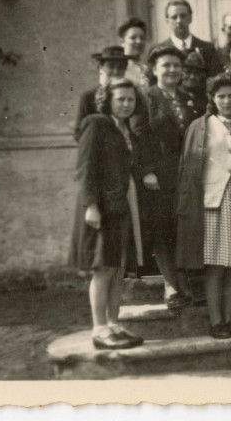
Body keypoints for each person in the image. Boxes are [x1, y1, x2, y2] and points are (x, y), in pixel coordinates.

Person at [68, 78, 153, 349]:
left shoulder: (123, 129)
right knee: (103, 269)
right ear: (108, 101)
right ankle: (99, 329)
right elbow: (85, 167)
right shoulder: (96, 123)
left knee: (117, 270)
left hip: (120, 206)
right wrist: (91, 205)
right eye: (121, 99)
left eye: (130, 99)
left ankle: (114, 324)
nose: (127, 104)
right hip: (102, 208)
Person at [176, 73, 231, 339]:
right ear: (212, 98)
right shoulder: (201, 126)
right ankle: (216, 321)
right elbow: (188, 168)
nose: (226, 100)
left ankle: (230, 320)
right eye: (220, 96)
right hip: (212, 202)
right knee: (215, 266)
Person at [131, 45, 200, 310]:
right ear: (154, 69)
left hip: (187, 174)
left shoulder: (189, 98)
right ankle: (172, 286)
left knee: (182, 229)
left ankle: (185, 284)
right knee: (163, 232)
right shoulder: (146, 98)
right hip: (158, 176)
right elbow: (139, 135)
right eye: (166, 65)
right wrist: (147, 170)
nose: (172, 70)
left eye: (176, 65)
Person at [150, 0, 222, 77]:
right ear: (167, 21)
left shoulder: (208, 48)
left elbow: (215, 80)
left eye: (183, 16)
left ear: (190, 18)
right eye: (174, 17)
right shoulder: (158, 50)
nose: (179, 21)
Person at [73, 46, 131, 141]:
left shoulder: (131, 95)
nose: (116, 71)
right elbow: (78, 134)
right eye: (111, 66)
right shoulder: (88, 96)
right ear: (101, 68)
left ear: (125, 69)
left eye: (120, 67)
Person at [118, 17, 152, 96]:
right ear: (122, 41)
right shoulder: (120, 69)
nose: (139, 41)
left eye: (142, 38)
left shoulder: (146, 69)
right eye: (133, 38)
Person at [181, 51, 209, 115]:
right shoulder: (175, 95)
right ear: (181, 73)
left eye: (197, 73)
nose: (192, 77)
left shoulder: (206, 97)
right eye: (188, 72)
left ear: (202, 76)